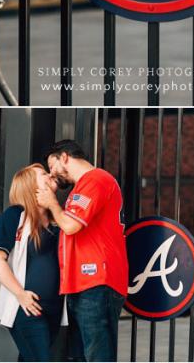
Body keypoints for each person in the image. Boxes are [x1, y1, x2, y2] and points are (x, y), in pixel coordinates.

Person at [36, 140, 128, 363]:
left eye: (52, 165)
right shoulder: (85, 185)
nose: (52, 173)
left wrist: (51, 203)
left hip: (96, 282)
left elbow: (70, 226)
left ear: (64, 157)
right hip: (84, 284)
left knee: (98, 356)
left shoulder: (94, 180)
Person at [0, 163, 65, 362]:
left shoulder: (59, 219)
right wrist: (20, 294)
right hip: (25, 307)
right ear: (30, 186)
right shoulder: (15, 216)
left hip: (54, 308)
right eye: (43, 174)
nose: (49, 175)